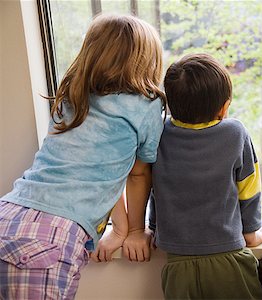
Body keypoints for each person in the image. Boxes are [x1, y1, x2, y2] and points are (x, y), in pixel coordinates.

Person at [0, 14, 165, 299]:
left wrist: (119, 229)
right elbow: (135, 173)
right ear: (145, 61)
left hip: (9, 211)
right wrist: (136, 230)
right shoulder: (145, 105)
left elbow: (104, 170)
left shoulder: (71, 95)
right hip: (51, 235)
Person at [98, 53, 262, 298]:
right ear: (223, 108)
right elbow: (249, 187)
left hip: (177, 268)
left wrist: (153, 228)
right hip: (229, 261)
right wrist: (251, 231)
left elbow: (153, 184)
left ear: (169, 104)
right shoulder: (235, 133)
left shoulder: (160, 134)